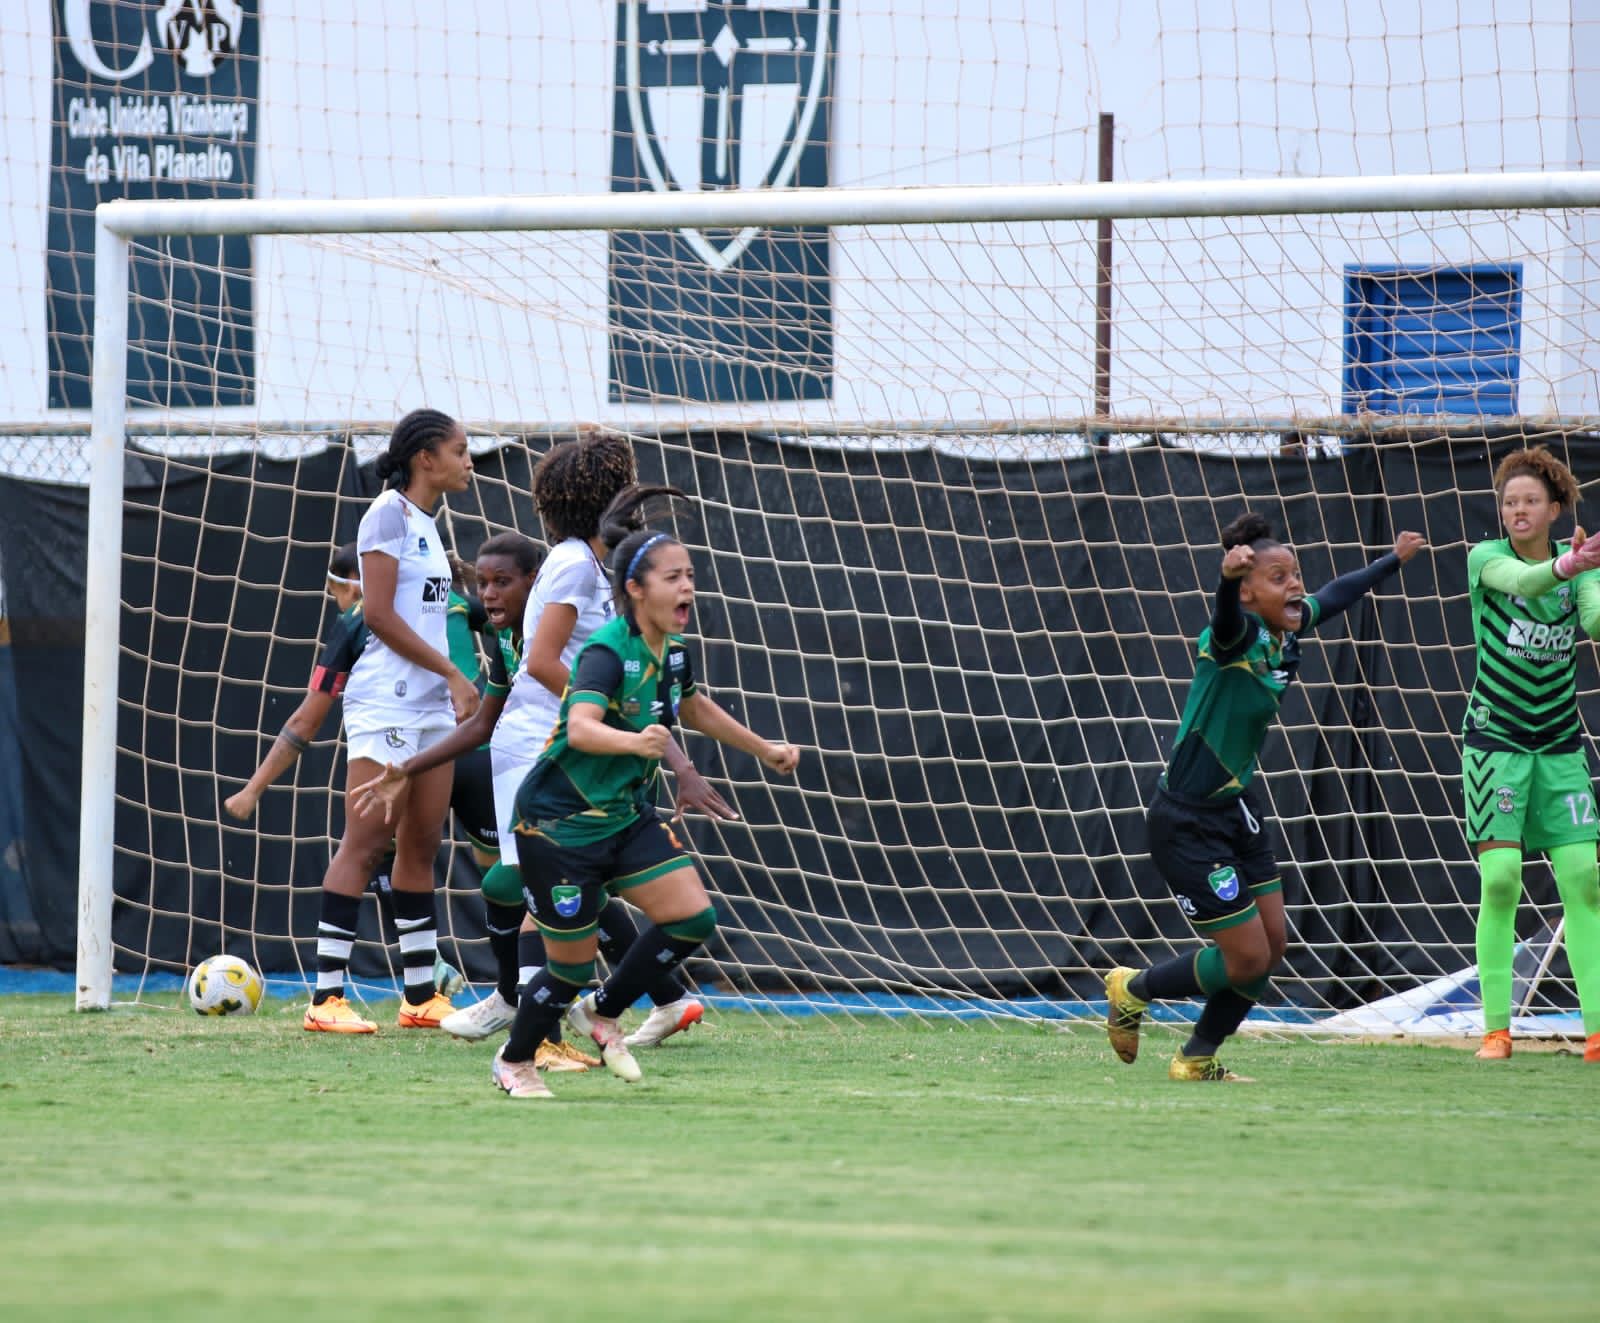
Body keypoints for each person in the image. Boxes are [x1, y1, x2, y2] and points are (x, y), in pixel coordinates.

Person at [491, 487, 801, 1099]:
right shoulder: (608, 651)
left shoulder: (674, 652)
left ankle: (603, 1012)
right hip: (559, 824)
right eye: (672, 577)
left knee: (692, 917)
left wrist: (762, 748)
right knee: (568, 967)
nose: (687, 587)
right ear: (636, 588)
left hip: (623, 817)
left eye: (690, 575)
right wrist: (635, 744)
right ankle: (515, 1060)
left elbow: (694, 706)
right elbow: (579, 726)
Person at [1103, 512, 1425, 1081]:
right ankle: (1132, 988)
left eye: (1294, 573)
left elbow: (1337, 594)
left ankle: (1195, 1059)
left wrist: (1391, 561)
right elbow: (1224, 618)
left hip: (1237, 809)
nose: (1295, 585)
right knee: (1246, 956)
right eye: (1279, 578)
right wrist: (1226, 582)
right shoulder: (1233, 636)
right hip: (1186, 821)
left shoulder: (1287, 629)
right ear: (1251, 591)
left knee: (1270, 950)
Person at [300, 407, 479, 1033]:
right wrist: (456, 672)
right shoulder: (386, 514)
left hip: (430, 708)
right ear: (425, 458)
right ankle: (325, 1001)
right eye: (460, 450)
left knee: (423, 845)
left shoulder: (430, 524)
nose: (469, 460)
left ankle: (420, 997)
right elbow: (376, 615)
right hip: (386, 706)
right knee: (367, 841)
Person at [1460, 447, 1600, 1062]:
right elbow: (1525, 581)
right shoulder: (1487, 559)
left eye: (1530, 501)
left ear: (1554, 508)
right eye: (1510, 501)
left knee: (1585, 883)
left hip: (1560, 749)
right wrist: (1569, 564)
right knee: (1501, 881)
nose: (1518, 510)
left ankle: (1597, 1032)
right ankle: (1496, 1030)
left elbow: (1594, 622)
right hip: (1497, 745)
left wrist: (1583, 573)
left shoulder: (1584, 571)